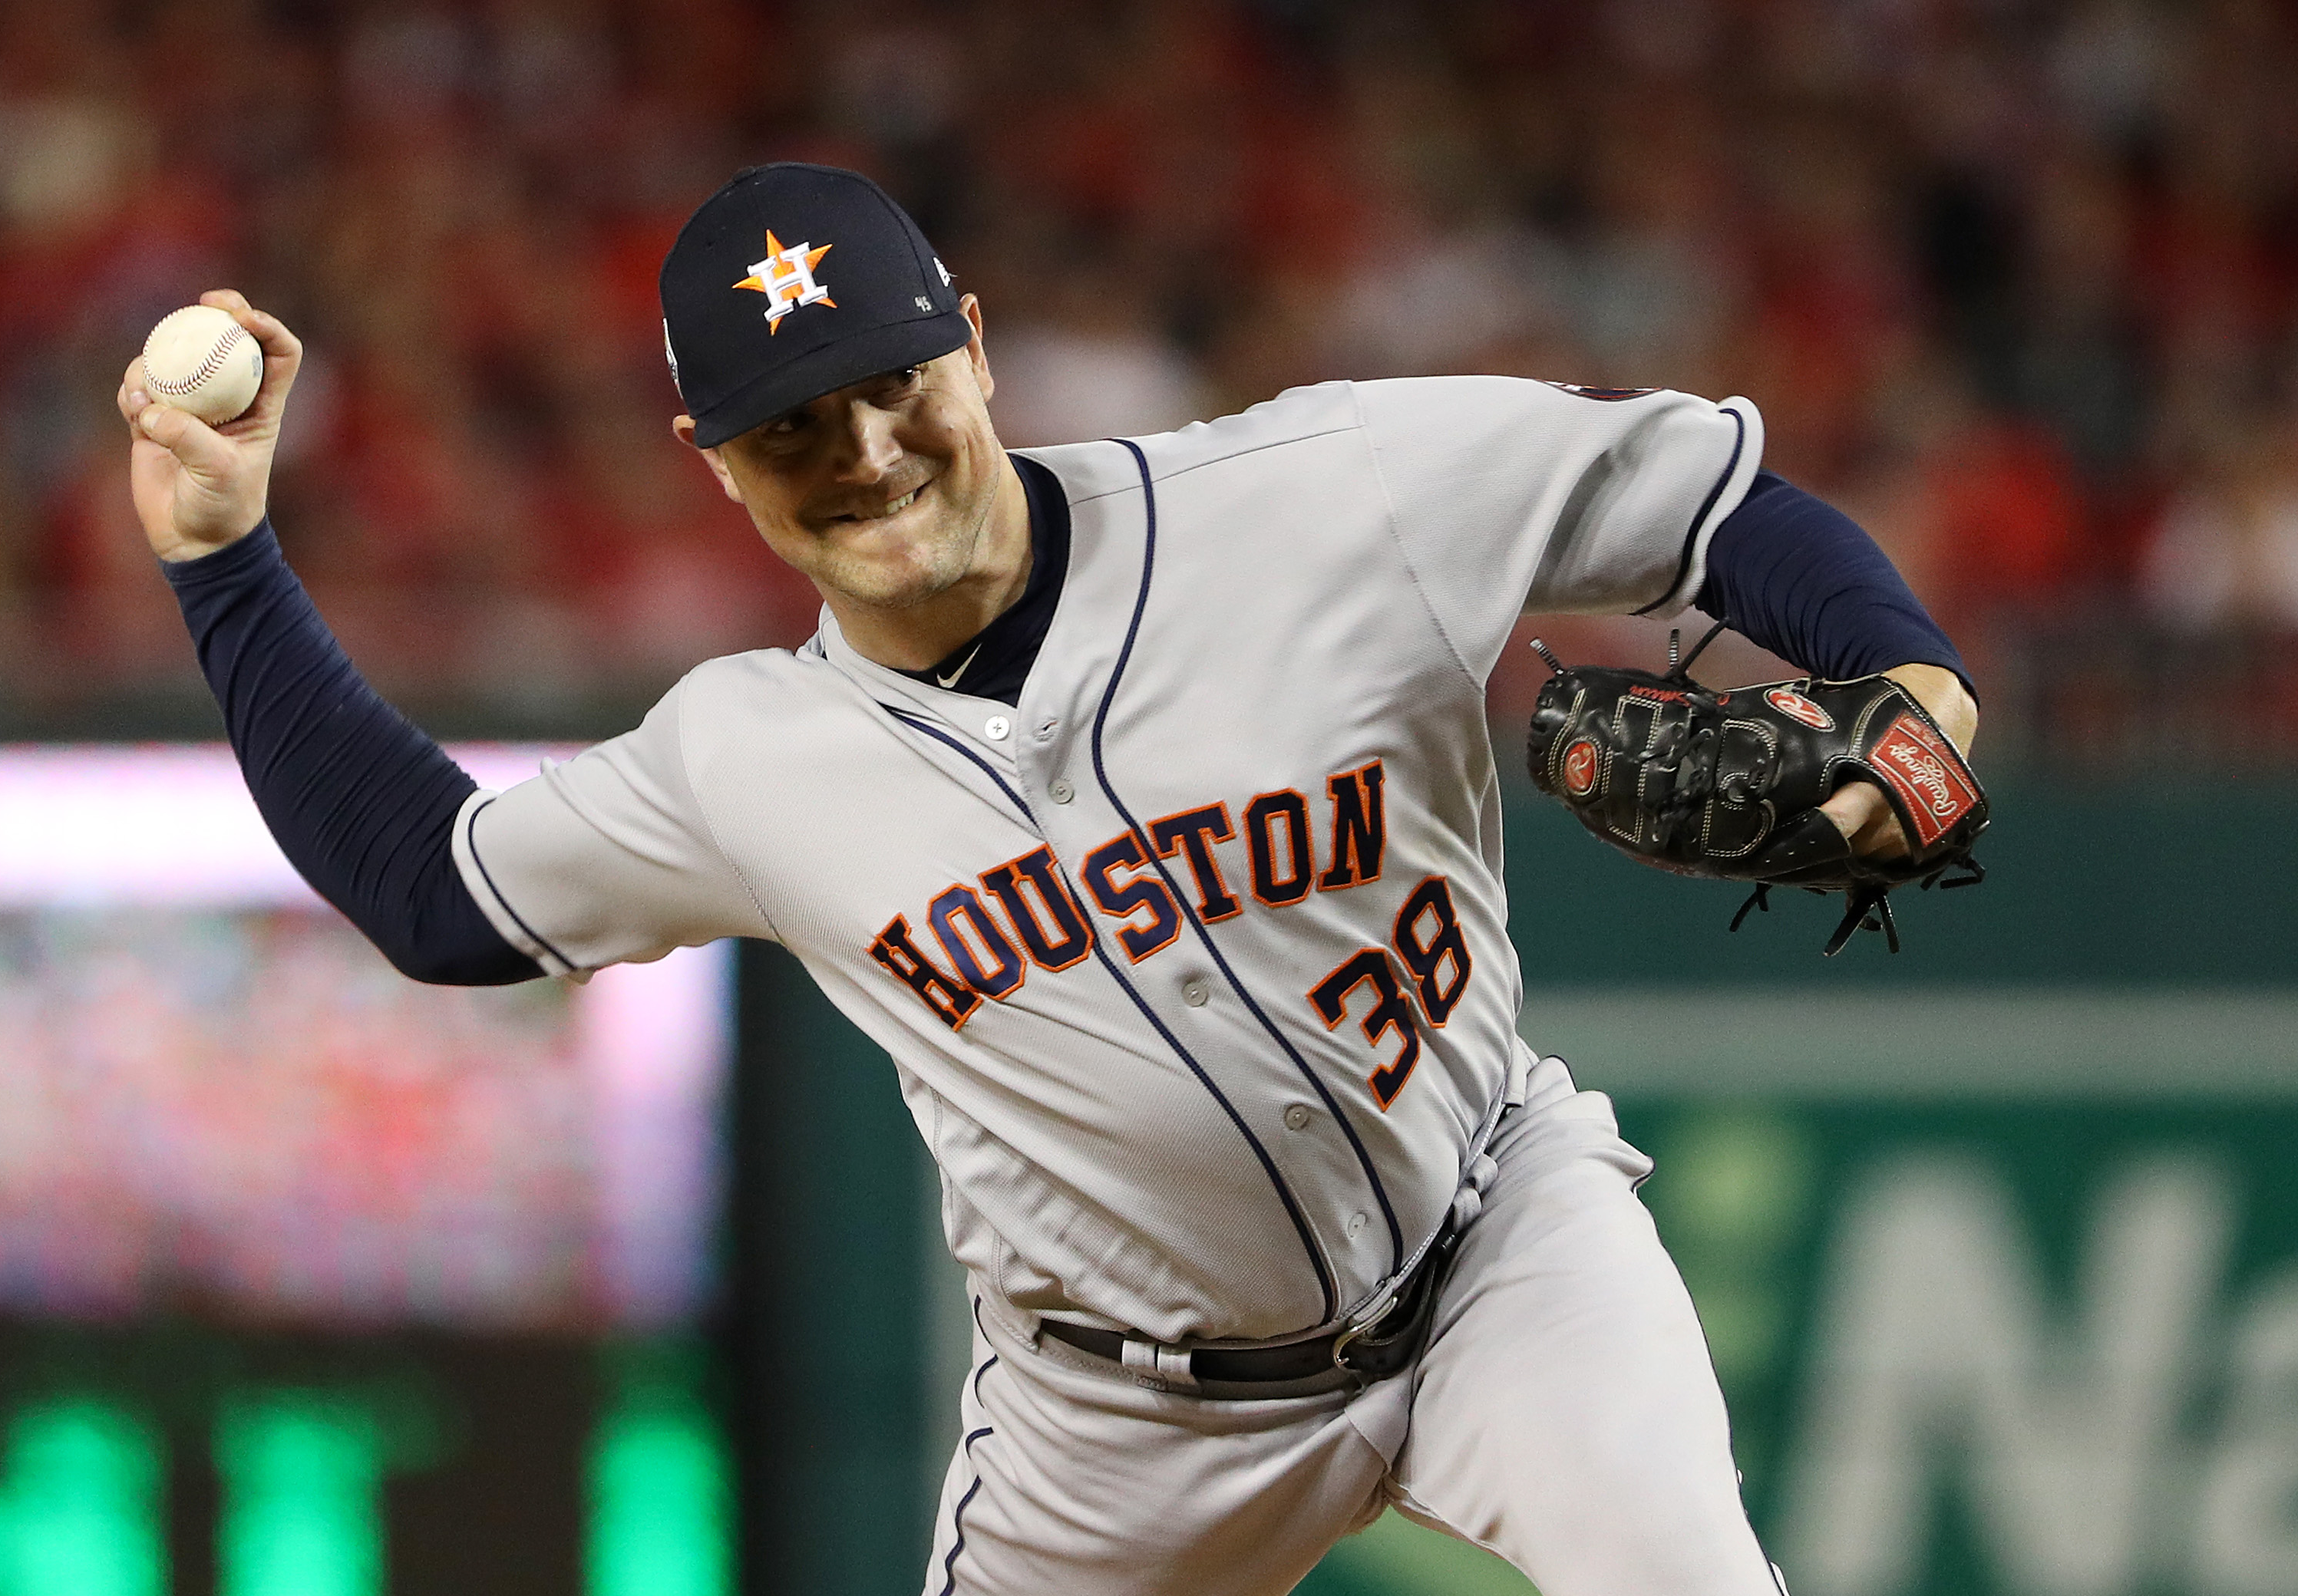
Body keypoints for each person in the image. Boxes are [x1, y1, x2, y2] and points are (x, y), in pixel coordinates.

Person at [121, 163, 1976, 1595]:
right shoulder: (743, 758)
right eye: (789, 427)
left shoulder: (1325, 492)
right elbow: (439, 891)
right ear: (714, 468)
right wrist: (222, 564)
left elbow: (1712, 505)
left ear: (977, 344)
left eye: (888, 382)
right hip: (1118, 1419)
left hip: (1497, 1245)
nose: (861, 450)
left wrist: (1911, 684)